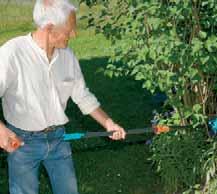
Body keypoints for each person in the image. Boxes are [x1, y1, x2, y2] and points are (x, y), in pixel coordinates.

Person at [0, 0, 126, 194]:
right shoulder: (12, 54)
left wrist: (109, 123)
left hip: (59, 139)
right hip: (23, 142)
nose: (74, 34)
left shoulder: (67, 56)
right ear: (50, 28)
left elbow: (82, 95)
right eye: (70, 29)